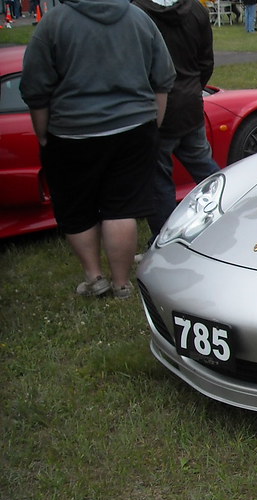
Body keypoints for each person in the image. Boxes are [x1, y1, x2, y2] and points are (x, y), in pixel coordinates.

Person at [21, 0, 175, 299]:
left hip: (72, 132)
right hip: (134, 128)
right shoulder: (138, 18)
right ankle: (121, 284)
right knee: (122, 208)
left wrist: (43, 135)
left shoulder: (54, 23)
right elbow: (163, 78)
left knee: (76, 207)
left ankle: (94, 278)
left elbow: (35, 87)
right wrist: (152, 123)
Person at [134, 0, 221, 242]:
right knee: (204, 167)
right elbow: (206, 61)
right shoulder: (196, 9)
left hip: (157, 105)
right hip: (189, 100)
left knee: (159, 178)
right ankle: (224, 211)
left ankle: (164, 237)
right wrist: (194, 88)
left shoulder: (137, 13)